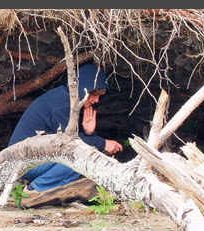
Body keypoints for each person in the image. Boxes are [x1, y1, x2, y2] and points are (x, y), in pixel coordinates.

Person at [8, 64, 123, 194]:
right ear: (84, 87)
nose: (96, 100)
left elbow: (73, 140)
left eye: (99, 95)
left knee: (81, 157)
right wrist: (103, 143)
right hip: (21, 163)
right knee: (79, 160)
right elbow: (69, 143)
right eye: (94, 94)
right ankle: (35, 190)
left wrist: (89, 132)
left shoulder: (67, 99)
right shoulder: (61, 104)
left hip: (33, 161)